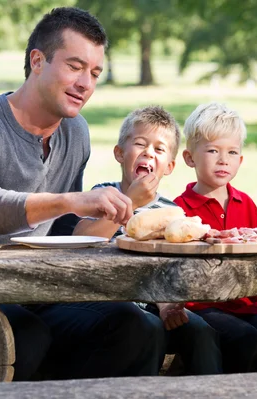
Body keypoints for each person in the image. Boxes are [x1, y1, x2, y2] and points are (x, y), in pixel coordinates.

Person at [0, 7, 162, 380]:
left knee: (139, 326)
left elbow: (63, 230)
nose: (85, 83)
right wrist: (74, 200)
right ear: (38, 61)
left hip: (39, 289)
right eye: (75, 66)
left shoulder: (76, 133)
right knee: (29, 335)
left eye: (94, 73)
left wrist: (114, 210)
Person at [74, 105, 223, 375]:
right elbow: (82, 240)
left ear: (170, 166)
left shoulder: (172, 212)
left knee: (201, 332)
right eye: (140, 144)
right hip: (110, 302)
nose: (148, 153)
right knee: (149, 330)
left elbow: (175, 268)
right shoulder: (101, 196)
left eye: (159, 149)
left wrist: (167, 303)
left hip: (155, 302)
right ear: (120, 153)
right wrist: (130, 201)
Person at [173, 102, 257, 373]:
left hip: (246, 303)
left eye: (231, 152)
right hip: (201, 304)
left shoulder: (246, 204)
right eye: (213, 150)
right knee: (243, 337)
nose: (223, 160)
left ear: (240, 160)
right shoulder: (179, 211)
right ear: (190, 157)